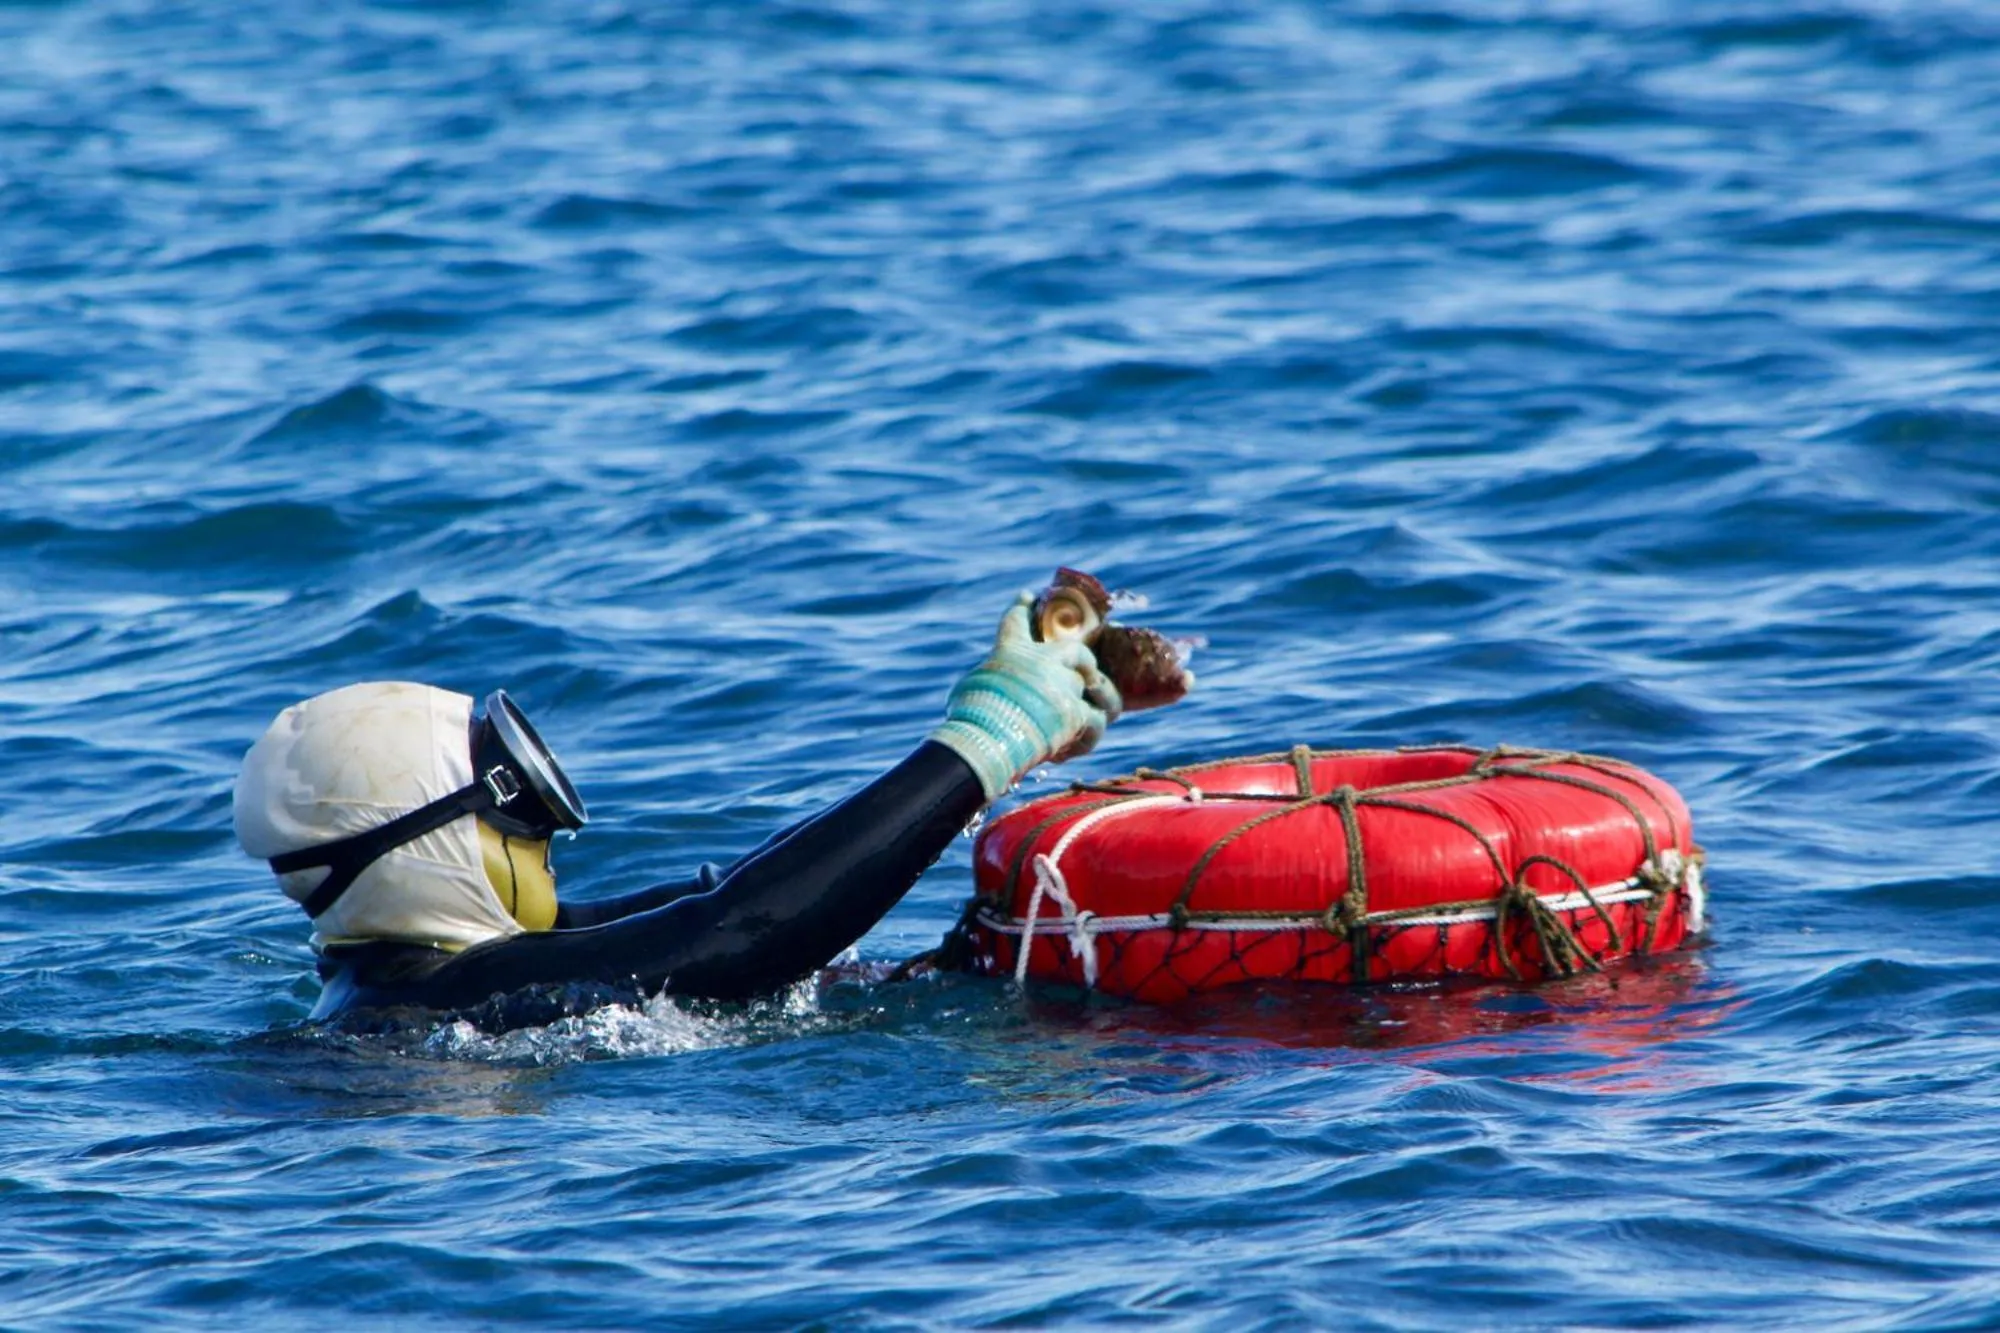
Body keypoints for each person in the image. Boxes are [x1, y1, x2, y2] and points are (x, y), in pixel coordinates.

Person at [235, 591, 1159, 1031]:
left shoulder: (424, 968)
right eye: (518, 809)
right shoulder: (438, 1005)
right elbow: (743, 930)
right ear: (420, 851)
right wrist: (984, 738)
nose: (552, 837)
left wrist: (983, 765)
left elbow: (723, 898)